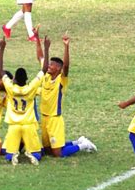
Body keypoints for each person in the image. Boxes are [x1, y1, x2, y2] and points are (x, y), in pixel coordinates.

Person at [34, 29, 97, 157]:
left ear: (58, 68)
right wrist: (37, 39)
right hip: (44, 117)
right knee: (47, 151)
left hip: (55, 119)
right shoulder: (46, 75)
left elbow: (66, 67)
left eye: (51, 65)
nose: (48, 67)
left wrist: (66, 46)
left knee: (57, 153)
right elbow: (40, 57)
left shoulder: (61, 80)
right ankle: (77, 141)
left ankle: (83, 145)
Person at [0, 36, 49, 165]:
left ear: (14, 79)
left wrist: (2, 49)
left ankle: (14, 154)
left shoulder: (10, 88)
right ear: (26, 79)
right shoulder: (31, 88)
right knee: (38, 153)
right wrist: (47, 48)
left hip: (14, 126)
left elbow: (0, 69)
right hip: (28, 125)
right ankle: (30, 153)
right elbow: (44, 69)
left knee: (7, 153)